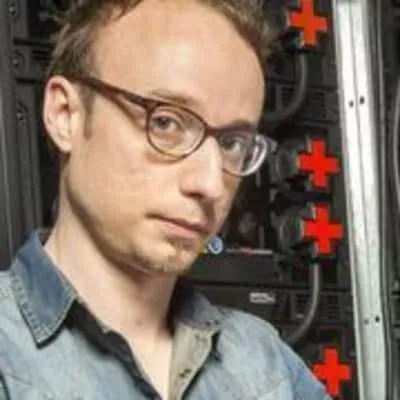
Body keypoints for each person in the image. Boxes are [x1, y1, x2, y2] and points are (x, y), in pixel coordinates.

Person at [0, 0, 332, 399]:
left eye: (232, 143)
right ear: (65, 114)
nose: (210, 183)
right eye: (166, 122)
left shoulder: (266, 366)